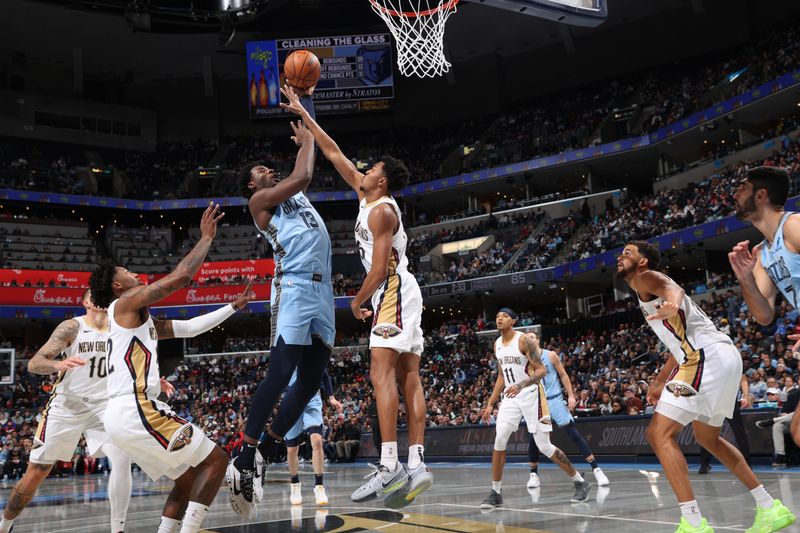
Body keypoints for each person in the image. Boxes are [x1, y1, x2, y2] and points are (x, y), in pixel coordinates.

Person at [280, 86, 431, 508]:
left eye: (371, 168)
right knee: (406, 376)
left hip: (394, 288)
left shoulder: (382, 209)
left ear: (380, 179)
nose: (361, 169)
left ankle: (389, 465)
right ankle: (416, 463)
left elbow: (381, 269)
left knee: (381, 374)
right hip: (401, 290)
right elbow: (333, 151)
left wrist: (355, 300)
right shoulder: (366, 195)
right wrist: (304, 116)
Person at [89, 204, 255, 533]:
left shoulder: (138, 323)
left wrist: (232, 307)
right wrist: (206, 238)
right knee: (218, 460)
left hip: (124, 415)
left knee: (188, 477)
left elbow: (190, 329)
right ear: (118, 286)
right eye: (125, 272)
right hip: (135, 407)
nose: (133, 273)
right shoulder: (122, 305)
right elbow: (180, 278)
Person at [617, 240, 795, 533]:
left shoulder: (646, 278)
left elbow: (671, 287)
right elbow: (677, 345)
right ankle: (769, 507)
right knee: (708, 438)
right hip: (719, 356)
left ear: (644, 261)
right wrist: (660, 380)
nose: (621, 257)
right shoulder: (642, 290)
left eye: (628, 253)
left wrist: (672, 301)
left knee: (658, 434)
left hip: (705, 357)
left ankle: (693, 522)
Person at [227, 93, 336, 519]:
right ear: (253, 186)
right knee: (281, 372)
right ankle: (245, 453)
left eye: (270, 168)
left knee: (310, 382)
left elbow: (301, 174)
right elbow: (305, 173)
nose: (269, 171)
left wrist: (306, 111)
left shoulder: (290, 193)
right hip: (292, 289)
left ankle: (265, 453)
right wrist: (305, 140)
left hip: (323, 291)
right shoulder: (260, 204)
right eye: (261, 171)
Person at [0, 289, 132, 533]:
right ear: (85, 302)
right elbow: (34, 362)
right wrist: (57, 364)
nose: (99, 298)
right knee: (36, 473)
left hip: (103, 407)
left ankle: (118, 529)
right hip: (67, 406)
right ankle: (4, 524)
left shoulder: (121, 327)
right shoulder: (72, 327)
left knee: (122, 456)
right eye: (94, 295)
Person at [479, 310, 591, 510]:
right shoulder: (497, 344)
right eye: (497, 316)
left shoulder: (524, 341)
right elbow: (501, 376)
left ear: (513, 320)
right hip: (510, 396)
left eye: (504, 316)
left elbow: (542, 370)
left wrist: (520, 385)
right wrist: (490, 403)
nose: (499, 318)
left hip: (531, 393)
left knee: (544, 446)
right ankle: (496, 492)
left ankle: (579, 481)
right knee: (499, 439)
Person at [728, 166, 800, 448]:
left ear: (761, 195)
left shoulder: (793, 226)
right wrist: (745, 277)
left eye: (741, 188)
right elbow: (763, 315)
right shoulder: (763, 252)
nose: (735, 194)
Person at [526, 339, 609, 489]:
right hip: (538, 403)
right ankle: (534, 475)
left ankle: (597, 470)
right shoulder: (525, 360)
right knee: (535, 439)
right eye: (527, 338)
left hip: (555, 400)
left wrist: (570, 396)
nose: (529, 340)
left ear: (538, 339)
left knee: (573, 434)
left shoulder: (550, 355)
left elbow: (564, 375)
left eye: (532, 337)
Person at [282, 369, 342, 506]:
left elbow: (325, 375)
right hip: (291, 400)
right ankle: (295, 485)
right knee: (291, 450)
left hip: (312, 400)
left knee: (317, 441)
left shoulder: (312, 351)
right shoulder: (286, 354)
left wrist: (331, 398)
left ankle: (319, 486)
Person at [698, 375, 751, 473]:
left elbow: (743, 379)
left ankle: (704, 464)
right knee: (706, 432)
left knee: (738, 431)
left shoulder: (729, 362)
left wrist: (746, 396)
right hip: (714, 399)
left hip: (723, 398)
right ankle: (704, 464)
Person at [756, 386, 800, 467]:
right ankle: (780, 455)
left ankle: (772, 420)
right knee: (777, 426)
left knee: (797, 413)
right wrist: (785, 413)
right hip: (794, 424)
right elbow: (785, 410)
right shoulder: (793, 395)